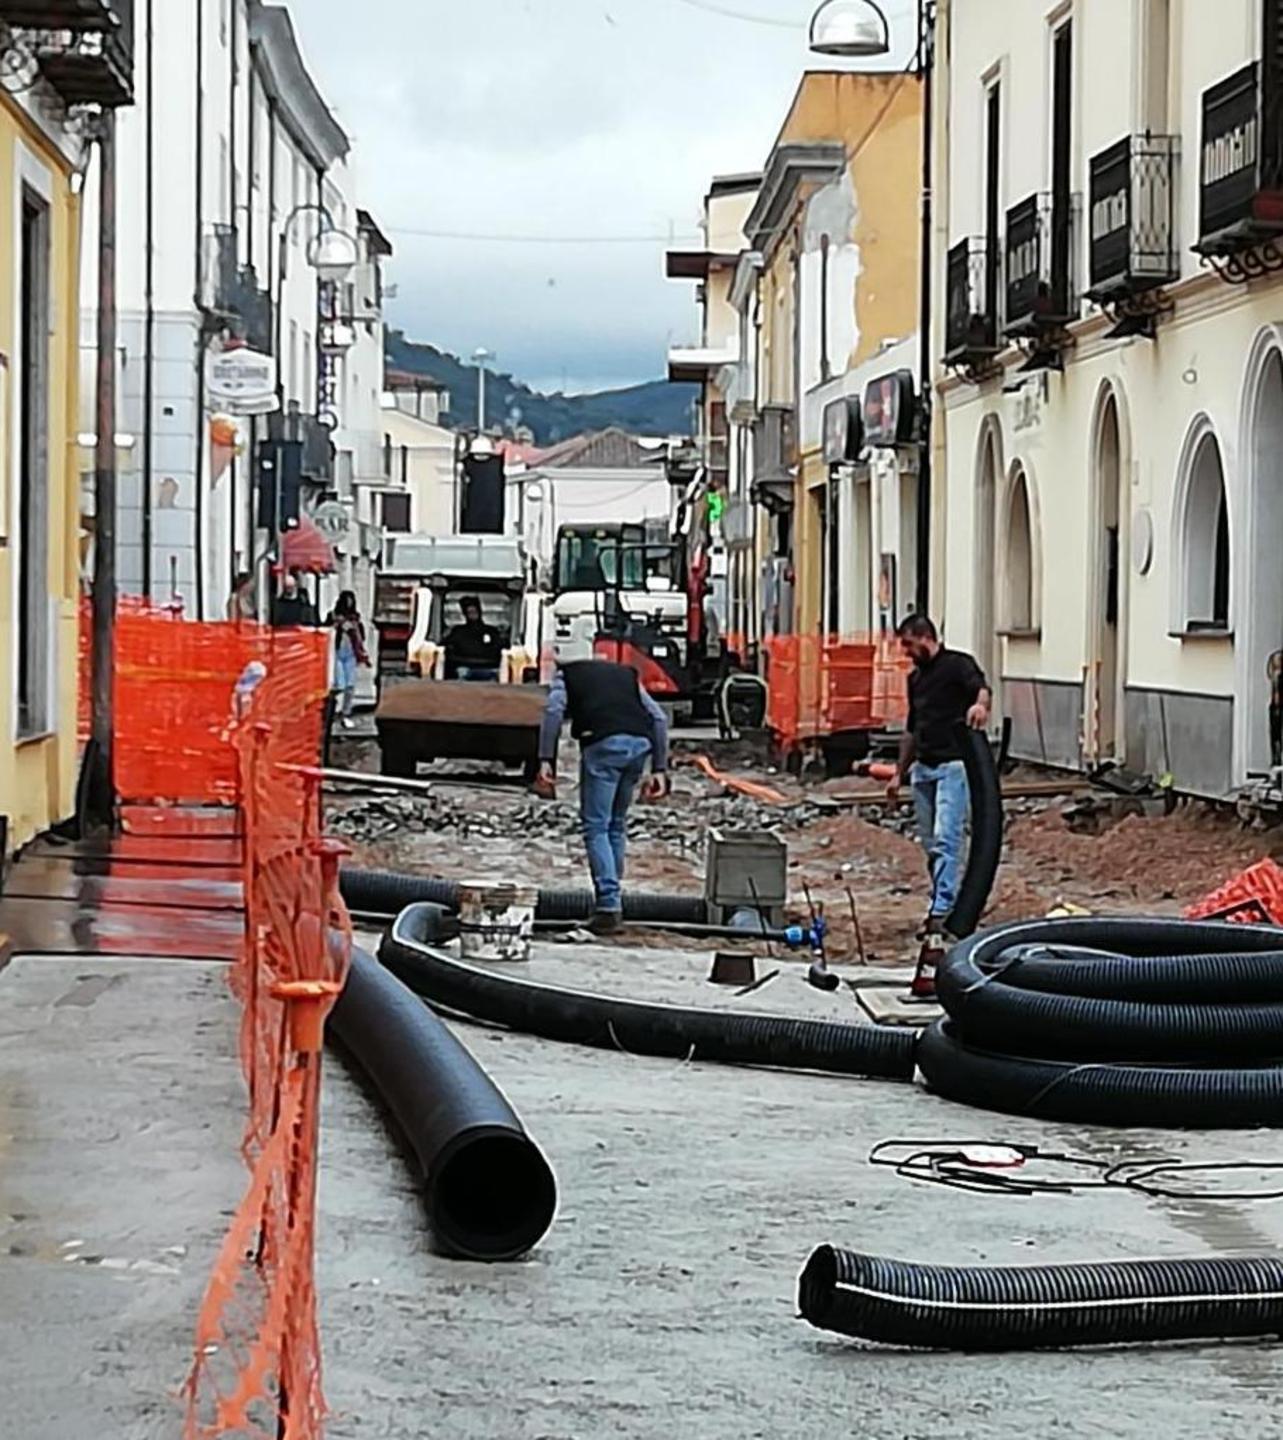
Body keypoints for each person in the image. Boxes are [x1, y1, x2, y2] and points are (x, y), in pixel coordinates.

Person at [535, 659, 671, 933]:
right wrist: (659, 768)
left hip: (603, 744)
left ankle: (608, 906)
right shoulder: (627, 676)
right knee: (616, 825)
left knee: (596, 826)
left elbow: (553, 711)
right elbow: (659, 718)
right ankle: (612, 898)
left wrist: (546, 758)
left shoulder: (566, 676)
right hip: (639, 746)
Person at [887, 615, 991, 939]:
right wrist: (898, 774)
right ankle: (943, 899)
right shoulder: (916, 679)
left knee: (947, 838)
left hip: (953, 767)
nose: (905, 651)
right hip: (924, 770)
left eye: (907, 643)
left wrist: (980, 707)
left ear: (924, 637)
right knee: (932, 845)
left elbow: (982, 690)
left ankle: (941, 910)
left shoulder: (958, 666)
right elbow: (912, 729)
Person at [328, 590, 371, 729]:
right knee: (339, 684)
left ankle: (346, 713)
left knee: (350, 686)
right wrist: (338, 626)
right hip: (337, 652)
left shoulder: (355, 619)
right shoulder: (333, 616)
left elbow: (361, 636)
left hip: (351, 653)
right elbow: (326, 631)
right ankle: (334, 712)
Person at [444, 594, 503, 681]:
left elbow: (500, 648)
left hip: (490, 668)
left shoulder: (492, 632)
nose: (472, 614)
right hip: (463, 668)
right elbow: (447, 648)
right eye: (469, 612)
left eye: (474, 611)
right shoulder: (457, 631)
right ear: (465, 614)